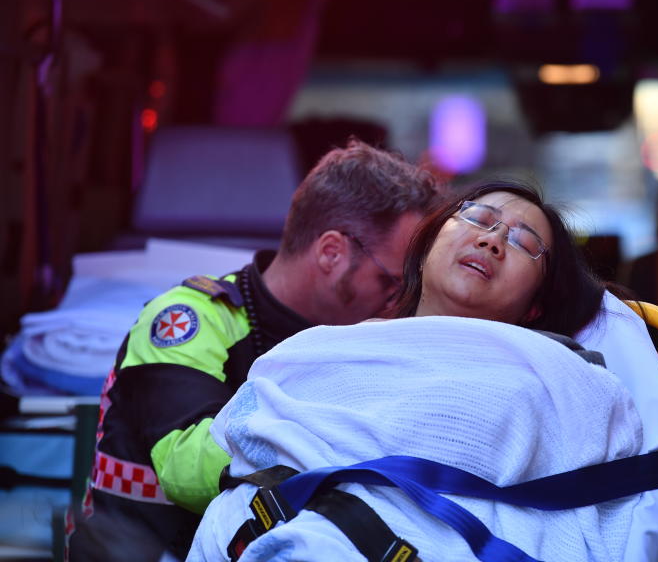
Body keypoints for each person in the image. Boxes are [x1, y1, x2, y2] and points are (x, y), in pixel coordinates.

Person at [187, 181, 658, 561]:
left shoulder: (555, 374)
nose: (492, 239)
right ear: (430, 242)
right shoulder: (321, 348)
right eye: (479, 217)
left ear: (536, 307)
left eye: (524, 242)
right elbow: (247, 440)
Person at [67, 140, 442, 562]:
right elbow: (186, 467)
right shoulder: (192, 318)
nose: (398, 302)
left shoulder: (360, 342)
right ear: (331, 252)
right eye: (390, 281)